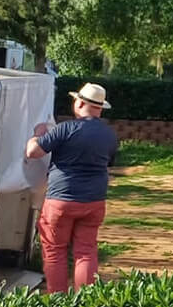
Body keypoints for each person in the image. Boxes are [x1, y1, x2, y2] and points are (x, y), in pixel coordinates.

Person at [26, 82, 119, 293]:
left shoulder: (65, 129)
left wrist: (37, 134)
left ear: (80, 103)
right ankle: (84, 301)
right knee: (86, 251)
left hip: (61, 200)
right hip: (94, 200)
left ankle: (58, 302)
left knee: (55, 250)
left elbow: (33, 152)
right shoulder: (110, 135)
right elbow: (109, 163)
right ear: (100, 108)